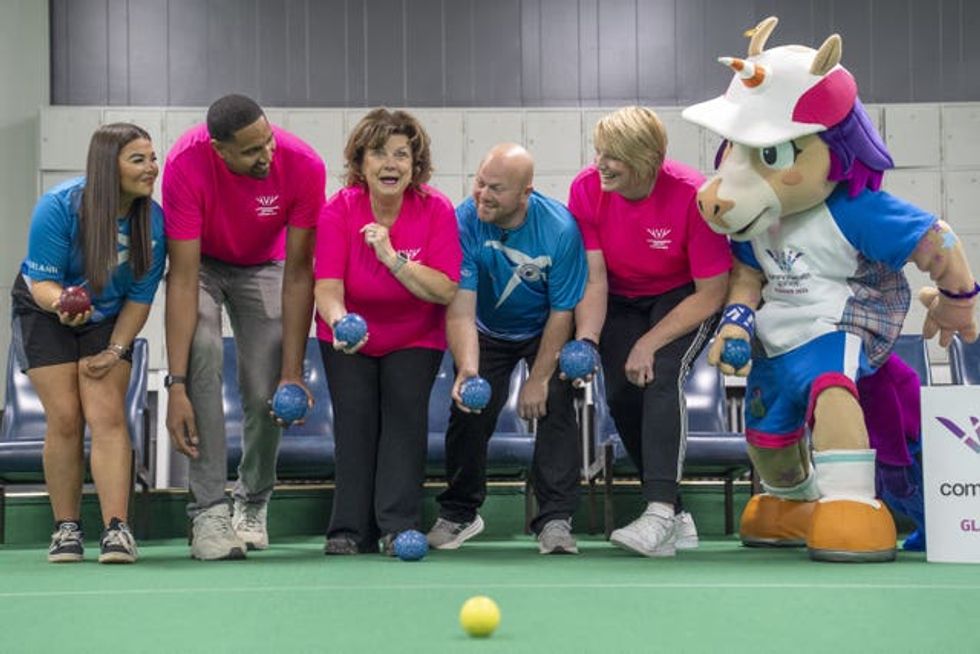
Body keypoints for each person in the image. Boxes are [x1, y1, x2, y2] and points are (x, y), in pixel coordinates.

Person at [163, 94, 325, 560]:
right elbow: (183, 279)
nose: (266, 155)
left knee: (264, 385)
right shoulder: (185, 163)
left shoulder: (303, 165)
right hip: (202, 266)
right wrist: (176, 385)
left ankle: (252, 500)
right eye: (251, 151)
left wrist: (292, 372)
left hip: (268, 265)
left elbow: (300, 274)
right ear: (219, 150)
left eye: (268, 141)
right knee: (203, 351)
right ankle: (208, 511)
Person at [567, 107, 731, 557]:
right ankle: (675, 515)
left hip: (683, 295)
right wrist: (588, 339)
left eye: (613, 156)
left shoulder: (692, 194)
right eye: (599, 152)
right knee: (621, 391)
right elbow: (595, 278)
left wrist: (649, 342)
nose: (600, 164)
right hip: (621, 297)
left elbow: (712, 292)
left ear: (647, 160)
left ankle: (657, 512)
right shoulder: (586, 189)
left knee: (660, 371)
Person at [12, 123, 166, 563]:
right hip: (46, 309)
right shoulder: (59, 206)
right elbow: (42, 282)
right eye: (138, 160)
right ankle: (66, 529)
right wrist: (62, 303)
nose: (151, 168)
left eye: (152, 158)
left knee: (106, 413)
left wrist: (116, 350)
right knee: (64, 416)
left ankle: (117, 530)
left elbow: (140, 298)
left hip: (109, 315)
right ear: (107, 167)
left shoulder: (154, 222)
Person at [426, 143, 587, 555]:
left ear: (525, 193)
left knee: (554, 402)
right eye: (480, 182)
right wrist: (468, 369)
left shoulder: (560, 229)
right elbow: (461, 308)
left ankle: (555, 519)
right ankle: (460, 511)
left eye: (496, 188)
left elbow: (562, 311)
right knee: (468, 407)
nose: (482, 195)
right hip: (485, 327)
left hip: (542, 328)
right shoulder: (464, 220)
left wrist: (539, 378)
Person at [315, 108, 461, 555]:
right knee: (355, 423)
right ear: (361, 164)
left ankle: (398, 527)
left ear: (415, 166)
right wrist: (340, 322)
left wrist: (391, 257)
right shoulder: (339, 209)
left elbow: (444, 288)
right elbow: (327, 288)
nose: (390, 164)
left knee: (404, 423)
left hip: (415, 335)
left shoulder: (436, 209)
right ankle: (348, 530)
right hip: (347, 334)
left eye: (402, 154)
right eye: (379, 153)